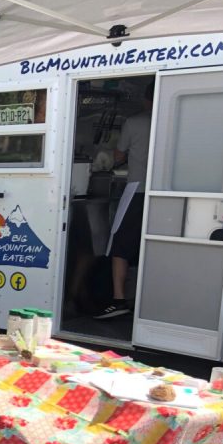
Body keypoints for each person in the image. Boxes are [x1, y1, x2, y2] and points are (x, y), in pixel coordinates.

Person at [95, 80, 153, 320]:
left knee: (119, 244)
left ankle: (119, 300)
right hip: (163, 192)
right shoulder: (173, 119)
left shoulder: (135, 122)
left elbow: (118, 155)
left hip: (137, 189)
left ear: (144, 99)